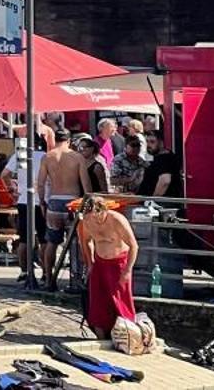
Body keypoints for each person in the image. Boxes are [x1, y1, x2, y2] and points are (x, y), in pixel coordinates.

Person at [38, 127, 92, 290]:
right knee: (76, 243)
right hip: (73, 202)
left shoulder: (48, 157)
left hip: (54, 201)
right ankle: (77, 281)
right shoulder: (77, 157)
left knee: (51, 242)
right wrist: (88, 202)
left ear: (55, 140)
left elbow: (40, 183)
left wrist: (42, 202)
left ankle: (48, 279)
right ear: (69, 141)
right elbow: (86, 184)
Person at [79, 197, 140, 338]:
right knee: (98, 301)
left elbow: (134, 246)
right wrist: (90, 263)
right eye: (91, 217)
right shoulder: (86, 221)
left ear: (103, 211)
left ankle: (125, 334)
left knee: (120, 301)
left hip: (119, 262)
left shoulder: (116, 220)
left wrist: (127, 270)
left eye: (97, 216)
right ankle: (101, 335)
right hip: (100, 262)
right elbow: (86, 241)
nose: (95, 220)